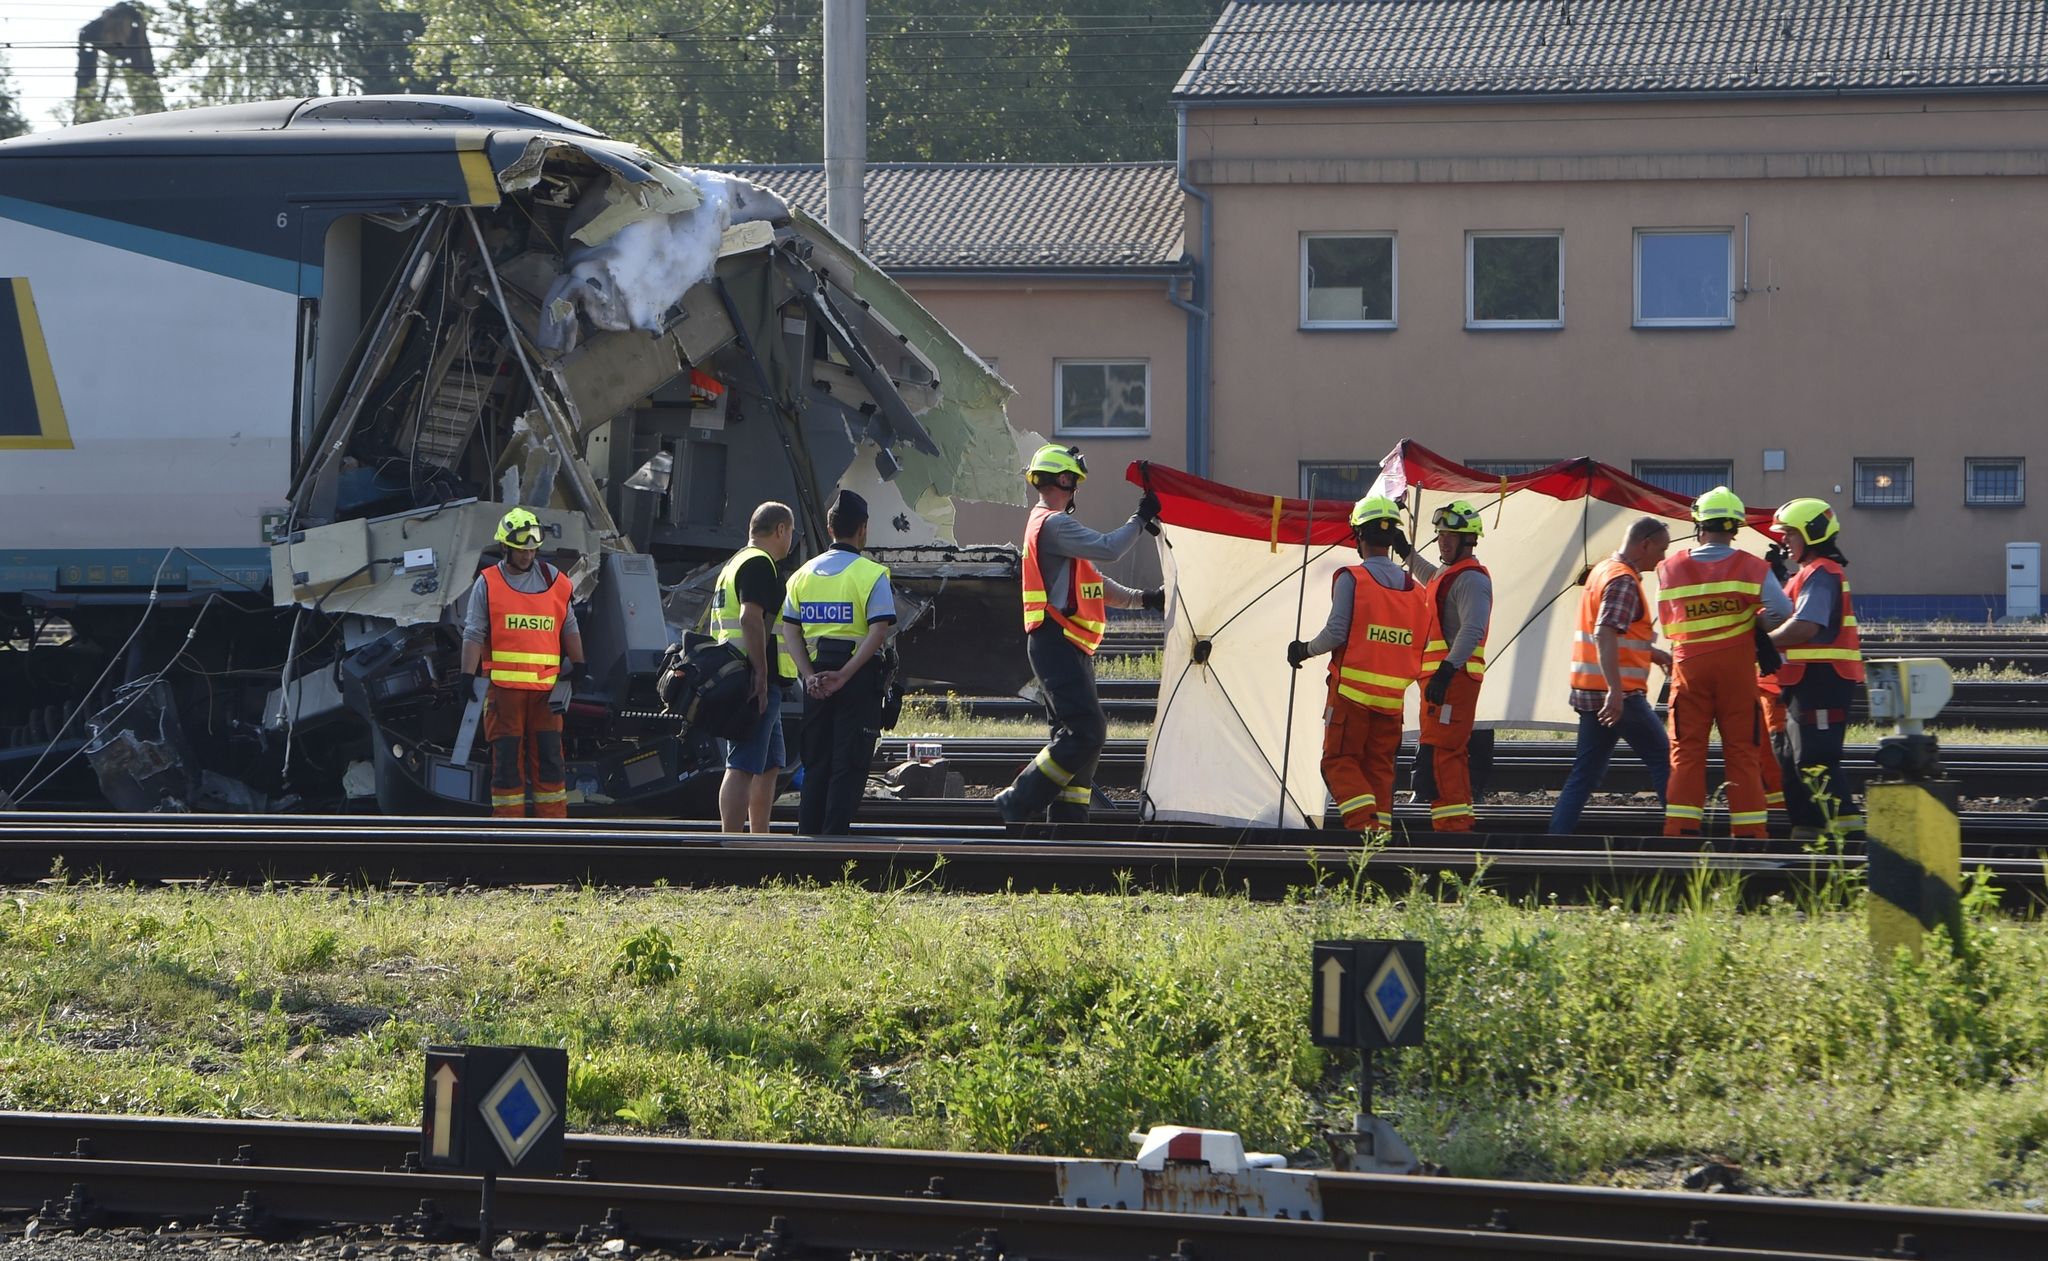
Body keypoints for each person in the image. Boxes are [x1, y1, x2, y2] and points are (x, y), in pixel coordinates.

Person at [994, 444, 1164, 823]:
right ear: (1065, 479)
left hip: (1065, 643)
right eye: (1074, 482)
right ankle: (1018, 798)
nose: (1076, 492)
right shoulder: (1053, 524)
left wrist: (1146, 599)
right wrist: (1139, 519)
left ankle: (1069, 822)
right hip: (1056, 641)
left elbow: (1093, 582)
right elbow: (1109, 549)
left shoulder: (1051, 527)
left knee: (1080, 736)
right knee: (1087, 731)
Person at [1653, 487, 1790, 838]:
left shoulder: (1668, 568)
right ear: (1735, 527)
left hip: (1690, 670)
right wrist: (1752, 620)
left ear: (1698, 523)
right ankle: (1749, 833)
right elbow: (1782, 613)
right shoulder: (1753, 567)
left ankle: (1682, 828)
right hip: (1737, 671)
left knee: (1687, 749)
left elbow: (1669, 623)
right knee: (1743, 750)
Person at [1287, 494, 1427, 831]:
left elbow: (1336, 632)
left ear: (1358, 537)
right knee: (1379, 767)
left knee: (1338, 761)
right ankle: (1380, 837)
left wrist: (1304, 649)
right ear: (1393, 538)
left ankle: (1363, 829)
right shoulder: (1417, 589)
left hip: (1351, 694)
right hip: (1391, 700)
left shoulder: (1353, 577)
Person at [778, 490, 896, 835]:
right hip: (855, 678)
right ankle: (834, 840)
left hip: (817, 681)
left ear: (830, 528)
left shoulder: (801, 575)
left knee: (816, 762)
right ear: (862, 529)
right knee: (850, 762)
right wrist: (844, 675)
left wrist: (809, 676)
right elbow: (877, 633)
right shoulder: (872, 575)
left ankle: (808, 839)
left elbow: (789, 631)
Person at [1549, 516, 1675, 834]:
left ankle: (1555, 842)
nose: (1662, 557)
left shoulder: (1605, 570)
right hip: (1620, 696)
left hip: (1590, 692)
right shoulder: (1623, 581)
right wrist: (1615, 691)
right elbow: (1604, 633)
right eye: (1661, 549)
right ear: (1644, 543)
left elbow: (1618, 637)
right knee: (1664, 759)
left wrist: (1653, 653)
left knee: (1586, 773)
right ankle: (1684, 834)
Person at [461, 507, 584, 818]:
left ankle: (553, 828)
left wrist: (579, 663)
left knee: (550, 760)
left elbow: (569, 625)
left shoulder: (557, 581)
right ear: (506, 547)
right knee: (506, 762)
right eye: (521, 549)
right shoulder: (488, 583)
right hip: (504, 691)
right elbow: (474, 632)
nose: (528, 555)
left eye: (532, 549)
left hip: (545, 692)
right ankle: (508, 830)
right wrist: (466, 675)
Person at [1768, 498, 1866, 838]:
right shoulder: (1807, 574)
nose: (1784, 541)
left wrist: (1762, 645)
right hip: (1805, 681)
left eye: (1790, 534)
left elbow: (1805, 626)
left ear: (1811, 533)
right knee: (1791, 760)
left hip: (1823, 679)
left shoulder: (1823, 573)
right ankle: (1807, 834)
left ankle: (1853, 840)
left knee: (1815, 759)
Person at [1402, 500, 1491, 832]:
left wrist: (1447, 669)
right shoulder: (1451, 574)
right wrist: (1406, 551)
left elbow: (1472, 629)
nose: (1443, 541)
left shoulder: (1471, 580)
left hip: (1453, 680)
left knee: (1443, 754)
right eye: (1440, 534)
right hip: (1444, 680)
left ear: (1469, 539)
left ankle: (1452, 832)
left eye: (1451, 535)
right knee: (1444, 753)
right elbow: (1432, 579)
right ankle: (1456, 825)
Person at [708, 501, 797, 833]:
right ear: (780, 530)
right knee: (742, 764)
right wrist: (760, 673)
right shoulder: (761, 563)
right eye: (791, 532)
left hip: (748, 675)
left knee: (770, 764)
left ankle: (760, 838)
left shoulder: (735, 563)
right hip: (753, 678)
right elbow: (750, 617)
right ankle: (732, 845)